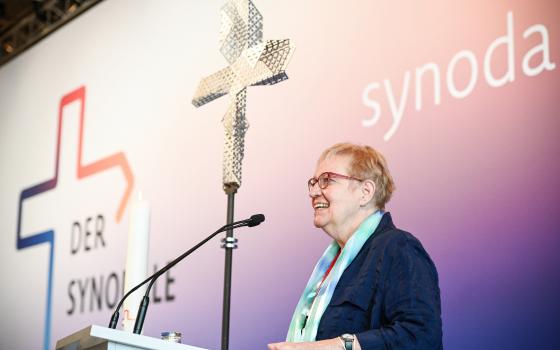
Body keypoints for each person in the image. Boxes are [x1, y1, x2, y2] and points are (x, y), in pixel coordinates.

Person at [268, 143, 442, 350]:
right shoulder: (334, 265)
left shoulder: (397, 247)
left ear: (365, 192)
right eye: (313, 182)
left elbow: (420, 336)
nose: (314, 192)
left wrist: (339, 346)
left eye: (327, 180)